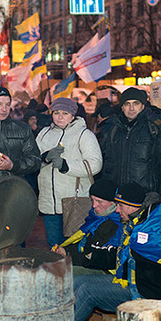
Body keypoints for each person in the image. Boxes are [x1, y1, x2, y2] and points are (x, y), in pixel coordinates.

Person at [72, 182, 161, 321]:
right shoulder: (135, 223)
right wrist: (89, 256)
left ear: (132, 206)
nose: (117, 210)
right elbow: (120, 255)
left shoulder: (154, 228)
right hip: (128, 281)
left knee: (87, 291)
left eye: (120, 206)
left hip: (145, 292)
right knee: (76, 281)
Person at [35, 96, 104, 248]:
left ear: (73, 116)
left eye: (65, 113)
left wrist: (66, 166)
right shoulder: (44, 133)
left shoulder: (84, 135)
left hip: (74, 203)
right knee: (54, 249)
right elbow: (32, 161)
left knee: (74, 249)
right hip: (49, 203)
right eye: (56, 112)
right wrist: (45, 158)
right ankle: (58, 271)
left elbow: (96, 164)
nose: (60, 117)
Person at [98, 87, 161, 205]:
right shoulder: (113, 129)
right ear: (122, 107)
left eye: (135, 103)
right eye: (127, 104)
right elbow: (108, 165)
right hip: (118, 199)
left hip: (147, 198)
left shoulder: (157, 128)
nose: (131, 108)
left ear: (143, 105)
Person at [55, 178, 121, 274]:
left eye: (99, 201)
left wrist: (70, 256)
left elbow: (93, 255)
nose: (94, 205)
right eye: (92, 200)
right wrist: (65, 251)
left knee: (58, 271)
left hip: (106, 271)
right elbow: (84, 245)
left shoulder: (115, 224)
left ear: (114, 203)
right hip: (89, 263)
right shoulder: (95, 219)